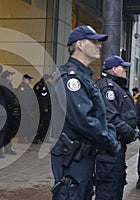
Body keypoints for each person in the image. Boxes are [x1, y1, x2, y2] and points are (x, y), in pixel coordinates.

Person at [50, 25, 120, 200]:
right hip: (73, 157)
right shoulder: (72, 78)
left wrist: (108, 130)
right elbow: (84, 120)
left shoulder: (83, 76)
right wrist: (109, 140)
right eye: (94, 41)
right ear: (80, 45)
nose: (99, 45)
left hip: (82, 156)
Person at [95, 55, 137, 199]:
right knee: (109, 189)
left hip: (117, 146)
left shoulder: (117, 86)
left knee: (116, 185)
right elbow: (110, 118)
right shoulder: (108, 88)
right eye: (123, 67)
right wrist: (131, 133)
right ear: (114, 69)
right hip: (109, 148)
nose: (125, 70)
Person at [15, 74, 38, 143]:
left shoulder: (27, 87)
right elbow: (23, 99)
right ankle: (21, 138)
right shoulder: (23, 87)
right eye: (28, 79)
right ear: (24, 79)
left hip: (29, 109)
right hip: (25, 109)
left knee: (28, 124)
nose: (30, 81)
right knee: (23, 124)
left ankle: (28, 137)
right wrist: (26, 109)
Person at [1, 70, 17, 155]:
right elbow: (9, 98)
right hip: (7, 109)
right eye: (11, 76)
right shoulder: (5, 85)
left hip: (9, 110)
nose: (12, 77)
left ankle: (7, 146)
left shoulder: (9, 84)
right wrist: (14, 104)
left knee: (8, 130)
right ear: (7, 77)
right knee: (7, 130)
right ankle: (7, 147)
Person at [33, 74, 53, 143]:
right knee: (43, 123)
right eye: (51, 79)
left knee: (45, 123)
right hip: (44, 108)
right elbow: (44, 98)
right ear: (48, 79)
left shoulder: (46, 85)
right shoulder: (44, 86)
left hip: (44, 107)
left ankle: (41, 137)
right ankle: (40, 137)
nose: (52, 81)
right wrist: (45, 107)